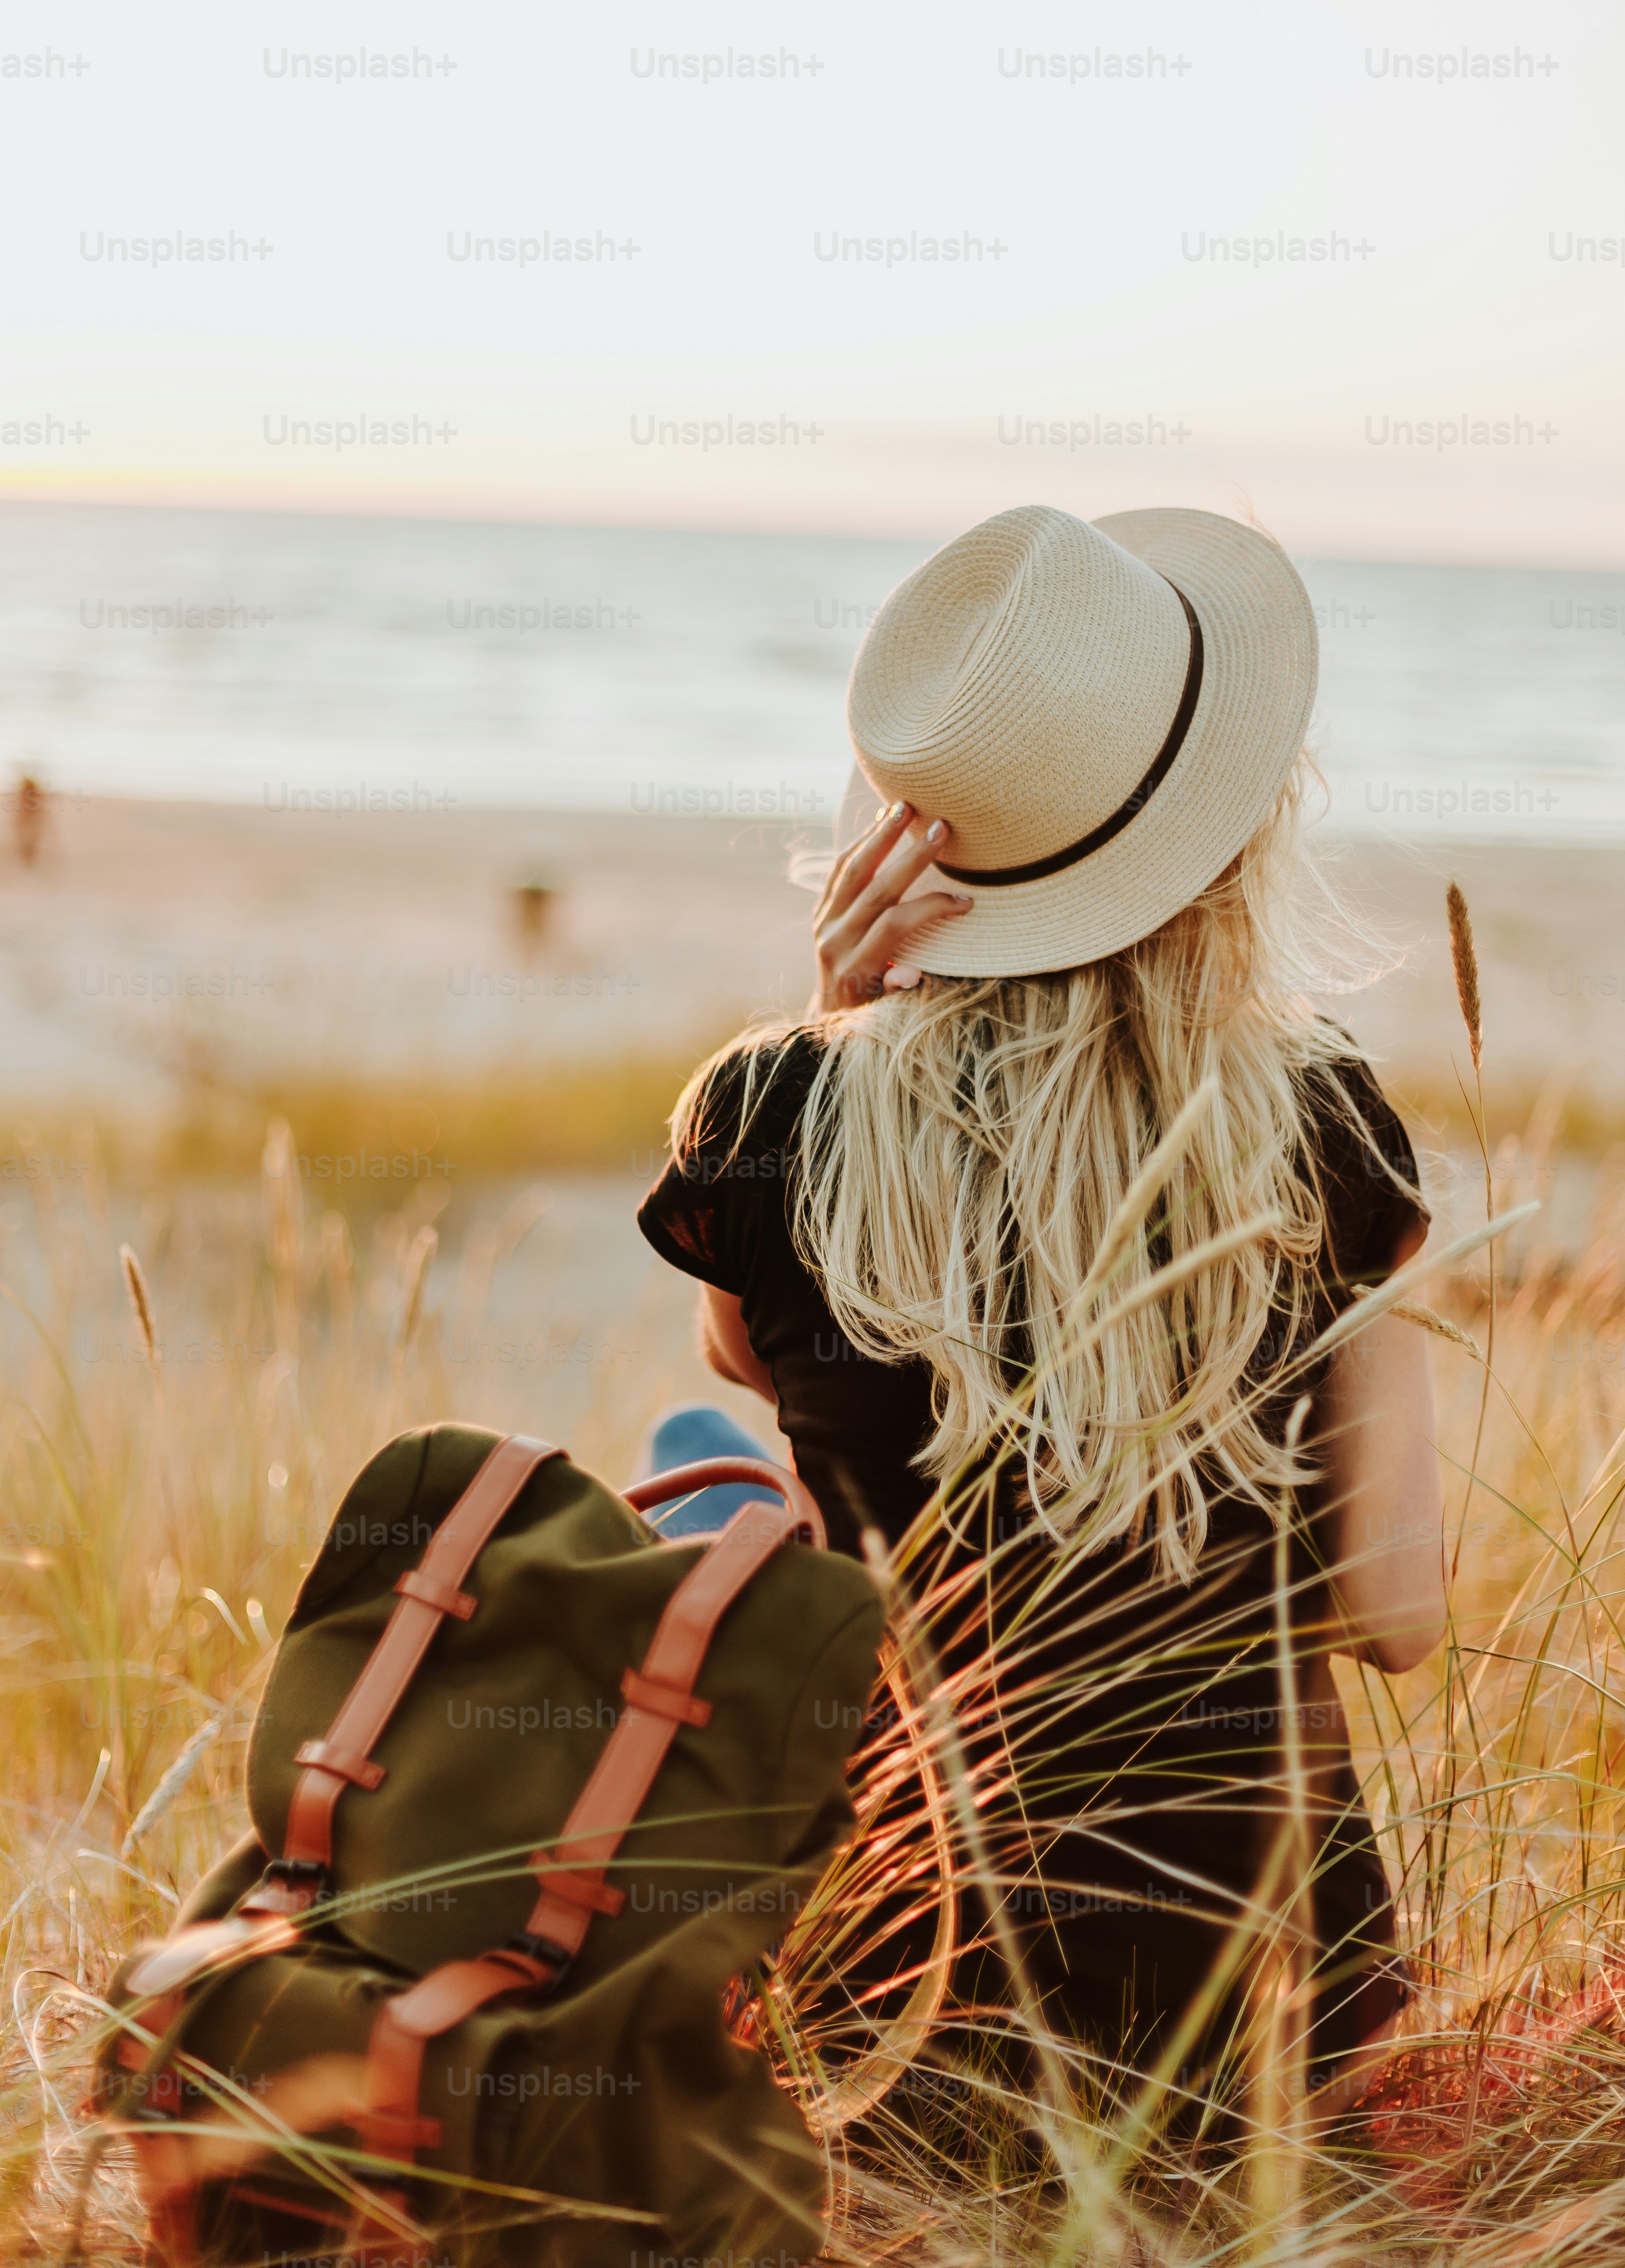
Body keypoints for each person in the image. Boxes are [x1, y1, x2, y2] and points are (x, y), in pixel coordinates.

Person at [634, 504, 1444, 2135]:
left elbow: (751, 1356)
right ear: (1226, 820)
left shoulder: (771, 1103)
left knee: (702, 1453)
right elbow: (1402, 1611)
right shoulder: (1319, 1122)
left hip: (905, 1990)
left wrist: (838, 1030)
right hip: (1277, 2000)